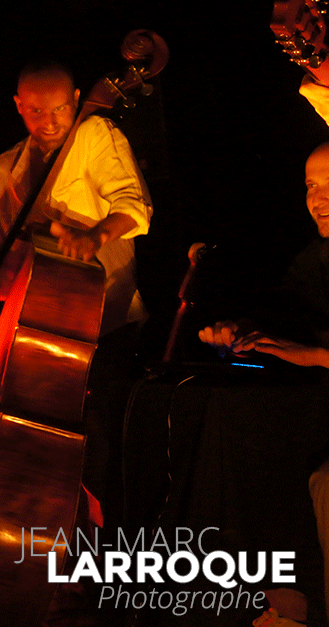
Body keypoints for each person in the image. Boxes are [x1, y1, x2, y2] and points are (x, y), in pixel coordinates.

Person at [0, 60, 153, 525]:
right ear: (19, 107)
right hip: (33, 331)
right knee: (29, 448)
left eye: (60, 109)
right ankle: (40, 551)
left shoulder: (96, 134)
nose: (51, 122)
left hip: (105, 322)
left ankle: (107, 553)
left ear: (77, 100)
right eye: (37, 112)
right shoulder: (6, 166)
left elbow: (133, 206)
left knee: (98, 448)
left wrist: (95, 236)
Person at [200, 142, 329, 627]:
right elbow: (290, 311)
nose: (318, 198)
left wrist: (315, 354)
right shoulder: (315, 258)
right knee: (232, 415)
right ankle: (286, 594)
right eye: (311, 186)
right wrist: (240, 329)